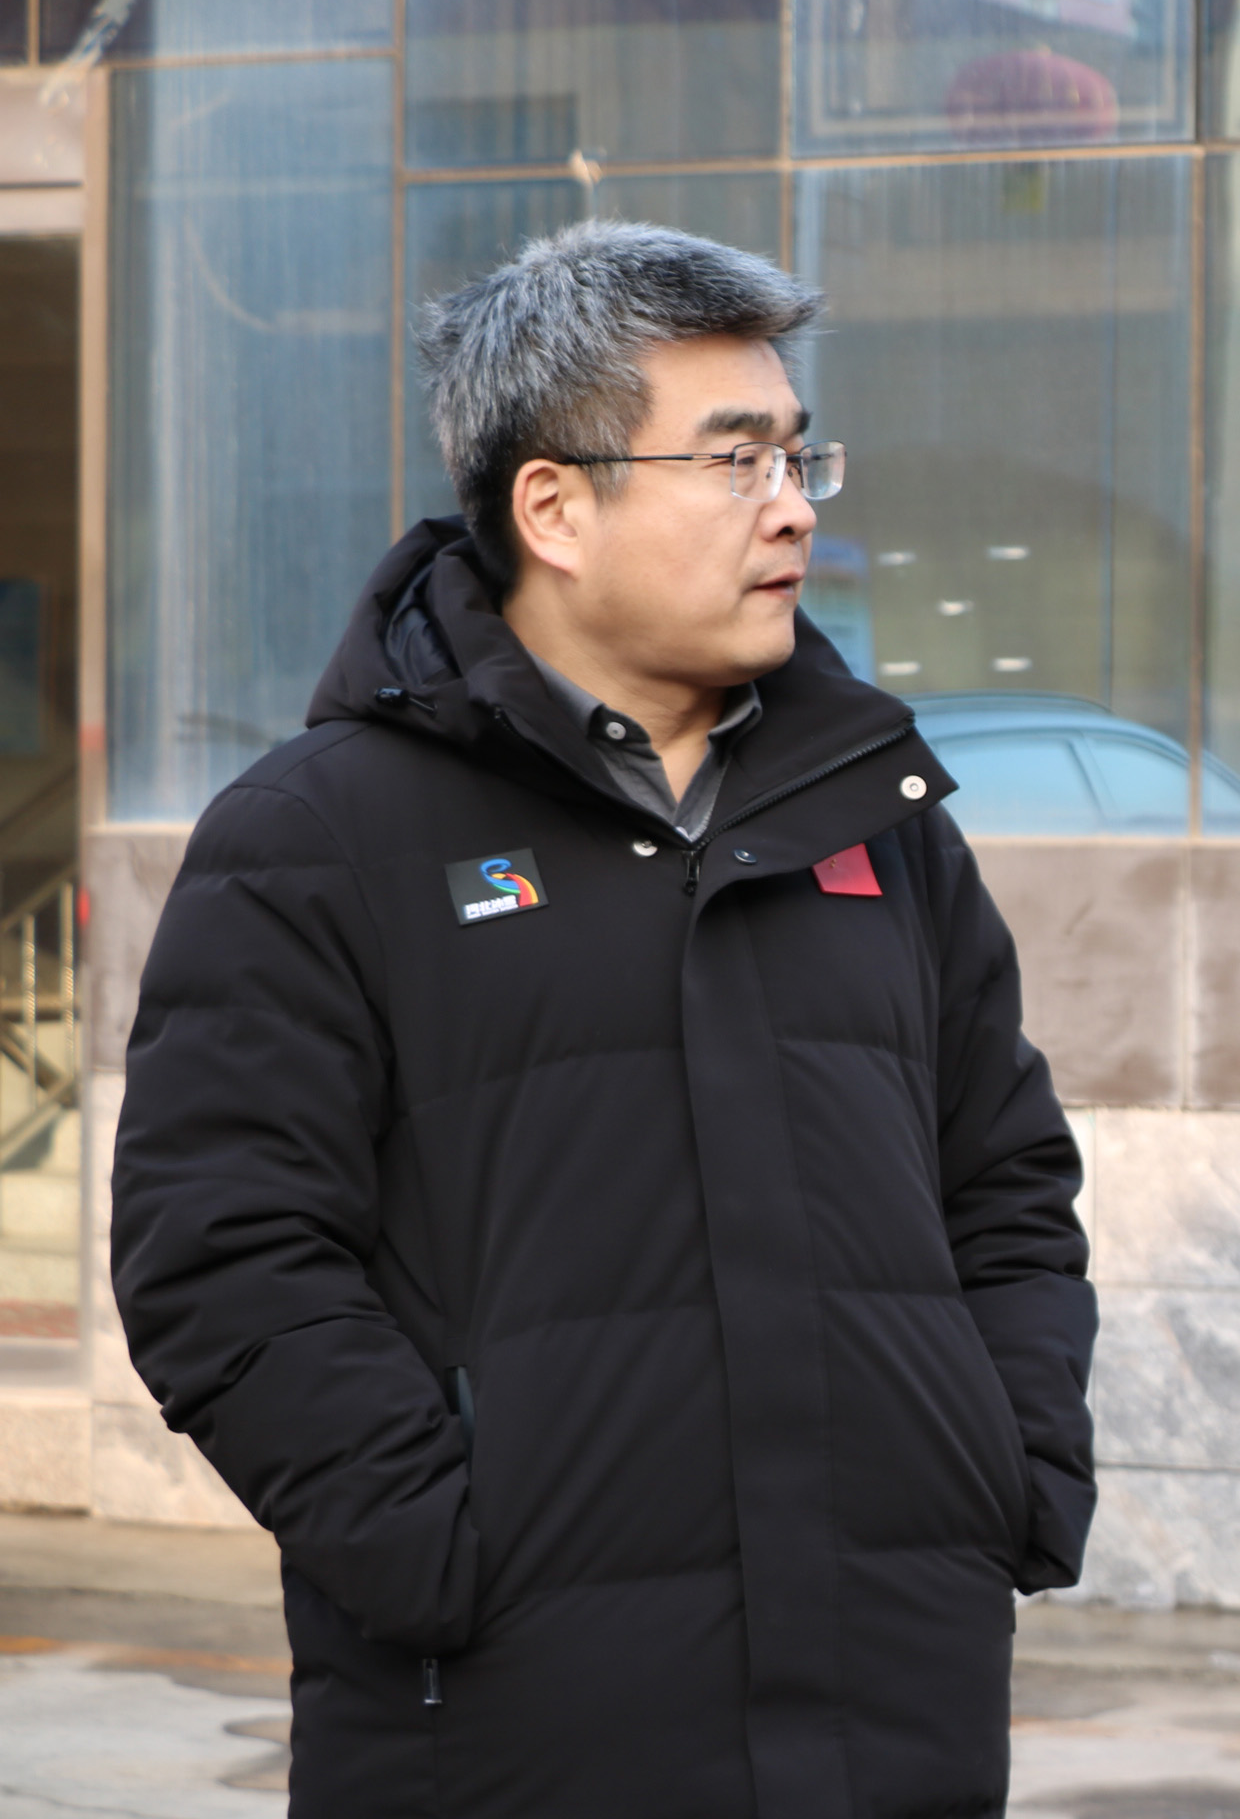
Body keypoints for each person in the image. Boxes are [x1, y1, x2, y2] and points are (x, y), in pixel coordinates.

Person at [110, 221, 1093, 1818]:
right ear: (554, 508)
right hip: (514, 1731)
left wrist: (1010, 1469)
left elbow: (1008, 1189)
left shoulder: (879, 824)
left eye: (798, 456)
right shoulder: (321, 838)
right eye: (734, 459)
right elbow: (222, 1258)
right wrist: (440, 1547)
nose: (793, 506)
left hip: (889, 1709)